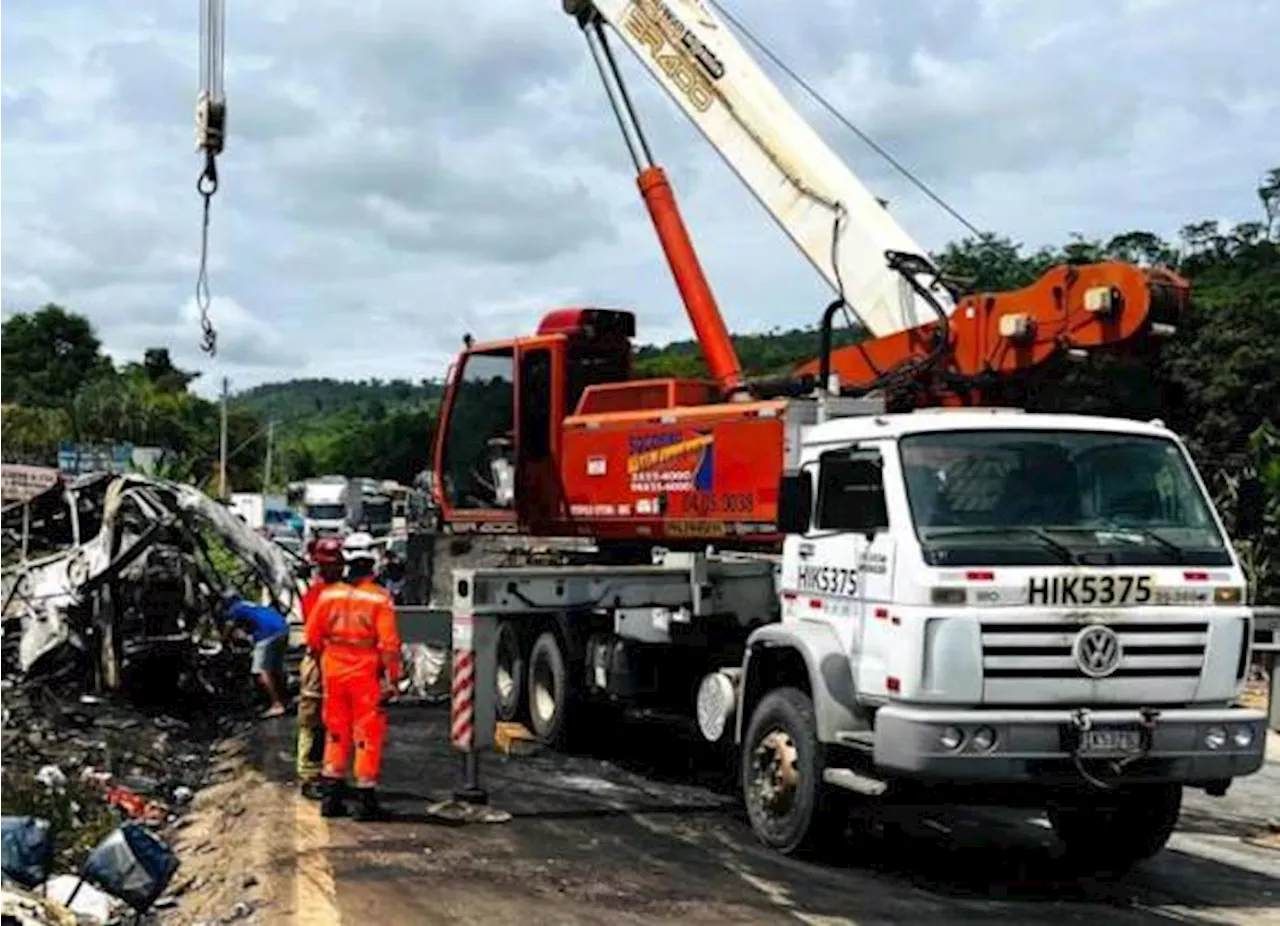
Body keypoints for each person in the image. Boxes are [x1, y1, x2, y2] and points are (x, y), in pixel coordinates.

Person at [305, 531, 403, 820]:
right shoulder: (379, 599)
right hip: (365, 675)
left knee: (335, 732)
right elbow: (389, 645)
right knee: (366, 736)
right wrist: (393, 680)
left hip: (333, 672)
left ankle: (331, 799)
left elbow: (311, 638)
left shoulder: (329, 595)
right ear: (372, 564)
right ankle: (365, 801)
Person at [296, 537, 345, 800]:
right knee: (313, 718)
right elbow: (316, 636)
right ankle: (309, 775)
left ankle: (331, 773)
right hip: (320, 660)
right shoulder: (314, 595)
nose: (335, 570)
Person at [220, 591, 291, 718]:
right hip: (283, 628)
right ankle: (285, 699)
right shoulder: (250, 605)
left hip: (267, 635)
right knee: (275, 668)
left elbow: (229, 627)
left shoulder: (235, 609)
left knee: (260, 671)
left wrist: (223, 641)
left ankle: (277, 704)